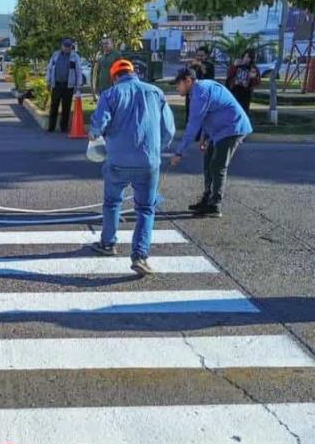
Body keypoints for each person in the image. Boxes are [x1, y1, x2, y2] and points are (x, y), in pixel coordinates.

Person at [88, 59, 176, 277]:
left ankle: (108, 244)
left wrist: (94, 133)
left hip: (117, 160)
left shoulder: (110, 94)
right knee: (146, 209)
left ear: (115, 76)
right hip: (148, 162)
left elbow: (99, 125)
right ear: (133, 73)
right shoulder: (156, 92)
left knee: (112, 202)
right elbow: (169, 130)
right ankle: (140, 256)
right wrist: (156, 149)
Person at [171, 68, 253, 218]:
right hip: (219, 131)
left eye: (178, 84)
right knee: (208, 162)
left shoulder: (199, 92)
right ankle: (207, 199)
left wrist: (179, 152)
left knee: (217, 166)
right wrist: (204, 136)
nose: (177, 88)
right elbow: (208, 114)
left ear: (188, 80)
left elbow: (193, 123)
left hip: (232, 128)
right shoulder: (200, 89)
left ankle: (215, 204)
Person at [45, 38, 84, 133]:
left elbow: (78, 71)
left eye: (69, 46)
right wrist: (48, 81)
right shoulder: (55, 55)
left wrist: (78, 85)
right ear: (61, 46)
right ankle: (51, 127)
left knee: (66, 107)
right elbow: (50, 68)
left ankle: (64, 127)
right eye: (65, 46)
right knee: (54, 106)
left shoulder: (75, 57)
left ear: (71, 47)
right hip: (56, 84)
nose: (67, 48)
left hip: (68, 85)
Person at [225, 49, 261, 114]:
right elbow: (229, 75)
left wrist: (253, 78)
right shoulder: (237, 65)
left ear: (251, 59)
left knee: (244, 110)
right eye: (245, 56)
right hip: (235, 90)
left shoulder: (253, 68)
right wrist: (234, 66)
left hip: (246, 92)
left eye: (248, 57)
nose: (246, 59)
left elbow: (257, 81)